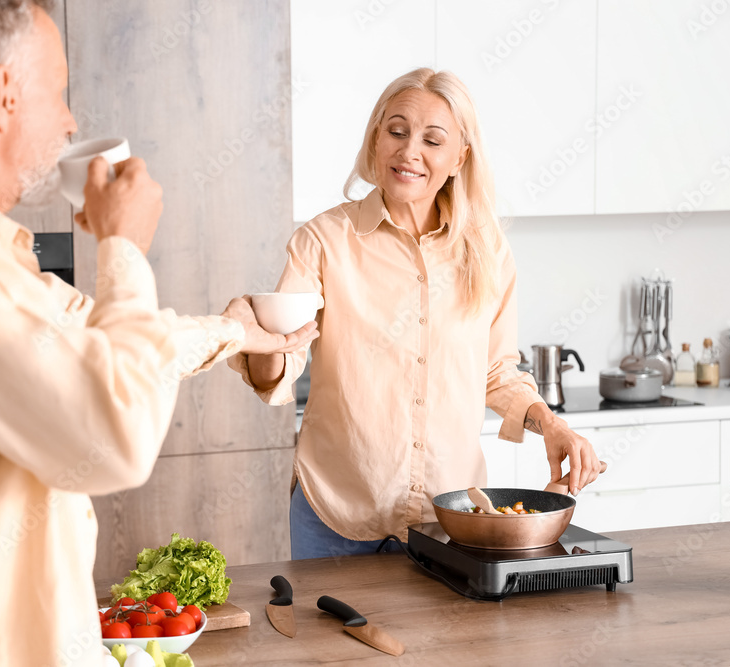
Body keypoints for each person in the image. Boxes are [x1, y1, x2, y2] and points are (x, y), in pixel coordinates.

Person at [0, 1, 316, 665]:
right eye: (58, 89)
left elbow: (84, 340)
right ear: (4, 94)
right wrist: (124, 247)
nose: (72, 119)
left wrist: (235, 331)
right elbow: (113, 431)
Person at [229, 68, 602, 560]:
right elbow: (280, 365)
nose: (409, 152)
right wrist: (262, 344)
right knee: (328, 639)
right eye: (397, 131)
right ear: (375, 138)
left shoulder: (487, 251)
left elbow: (495, 372)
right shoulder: (322, 242)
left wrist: (551, 426)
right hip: (335, 516)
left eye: (432, 140)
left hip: (451, 519)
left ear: (458, 157)